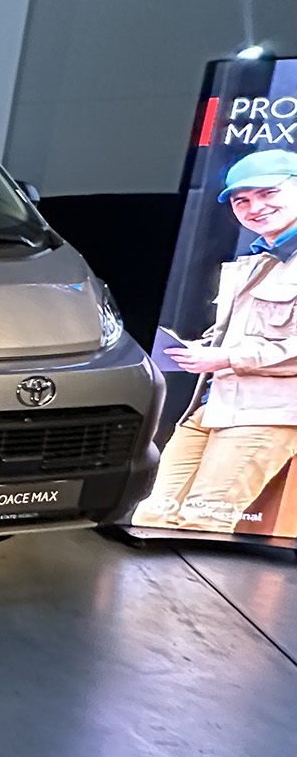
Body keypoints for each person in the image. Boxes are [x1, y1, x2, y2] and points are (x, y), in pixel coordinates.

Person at [135, 149, 297, 533]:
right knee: (152, 518)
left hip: (266, 413)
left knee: (203, 521)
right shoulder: (257, 259)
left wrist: (227, 358)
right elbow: (241, 331)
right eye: (242, 200)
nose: (255, 208)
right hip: (211, 406)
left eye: (267, 193)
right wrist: (201, 349)